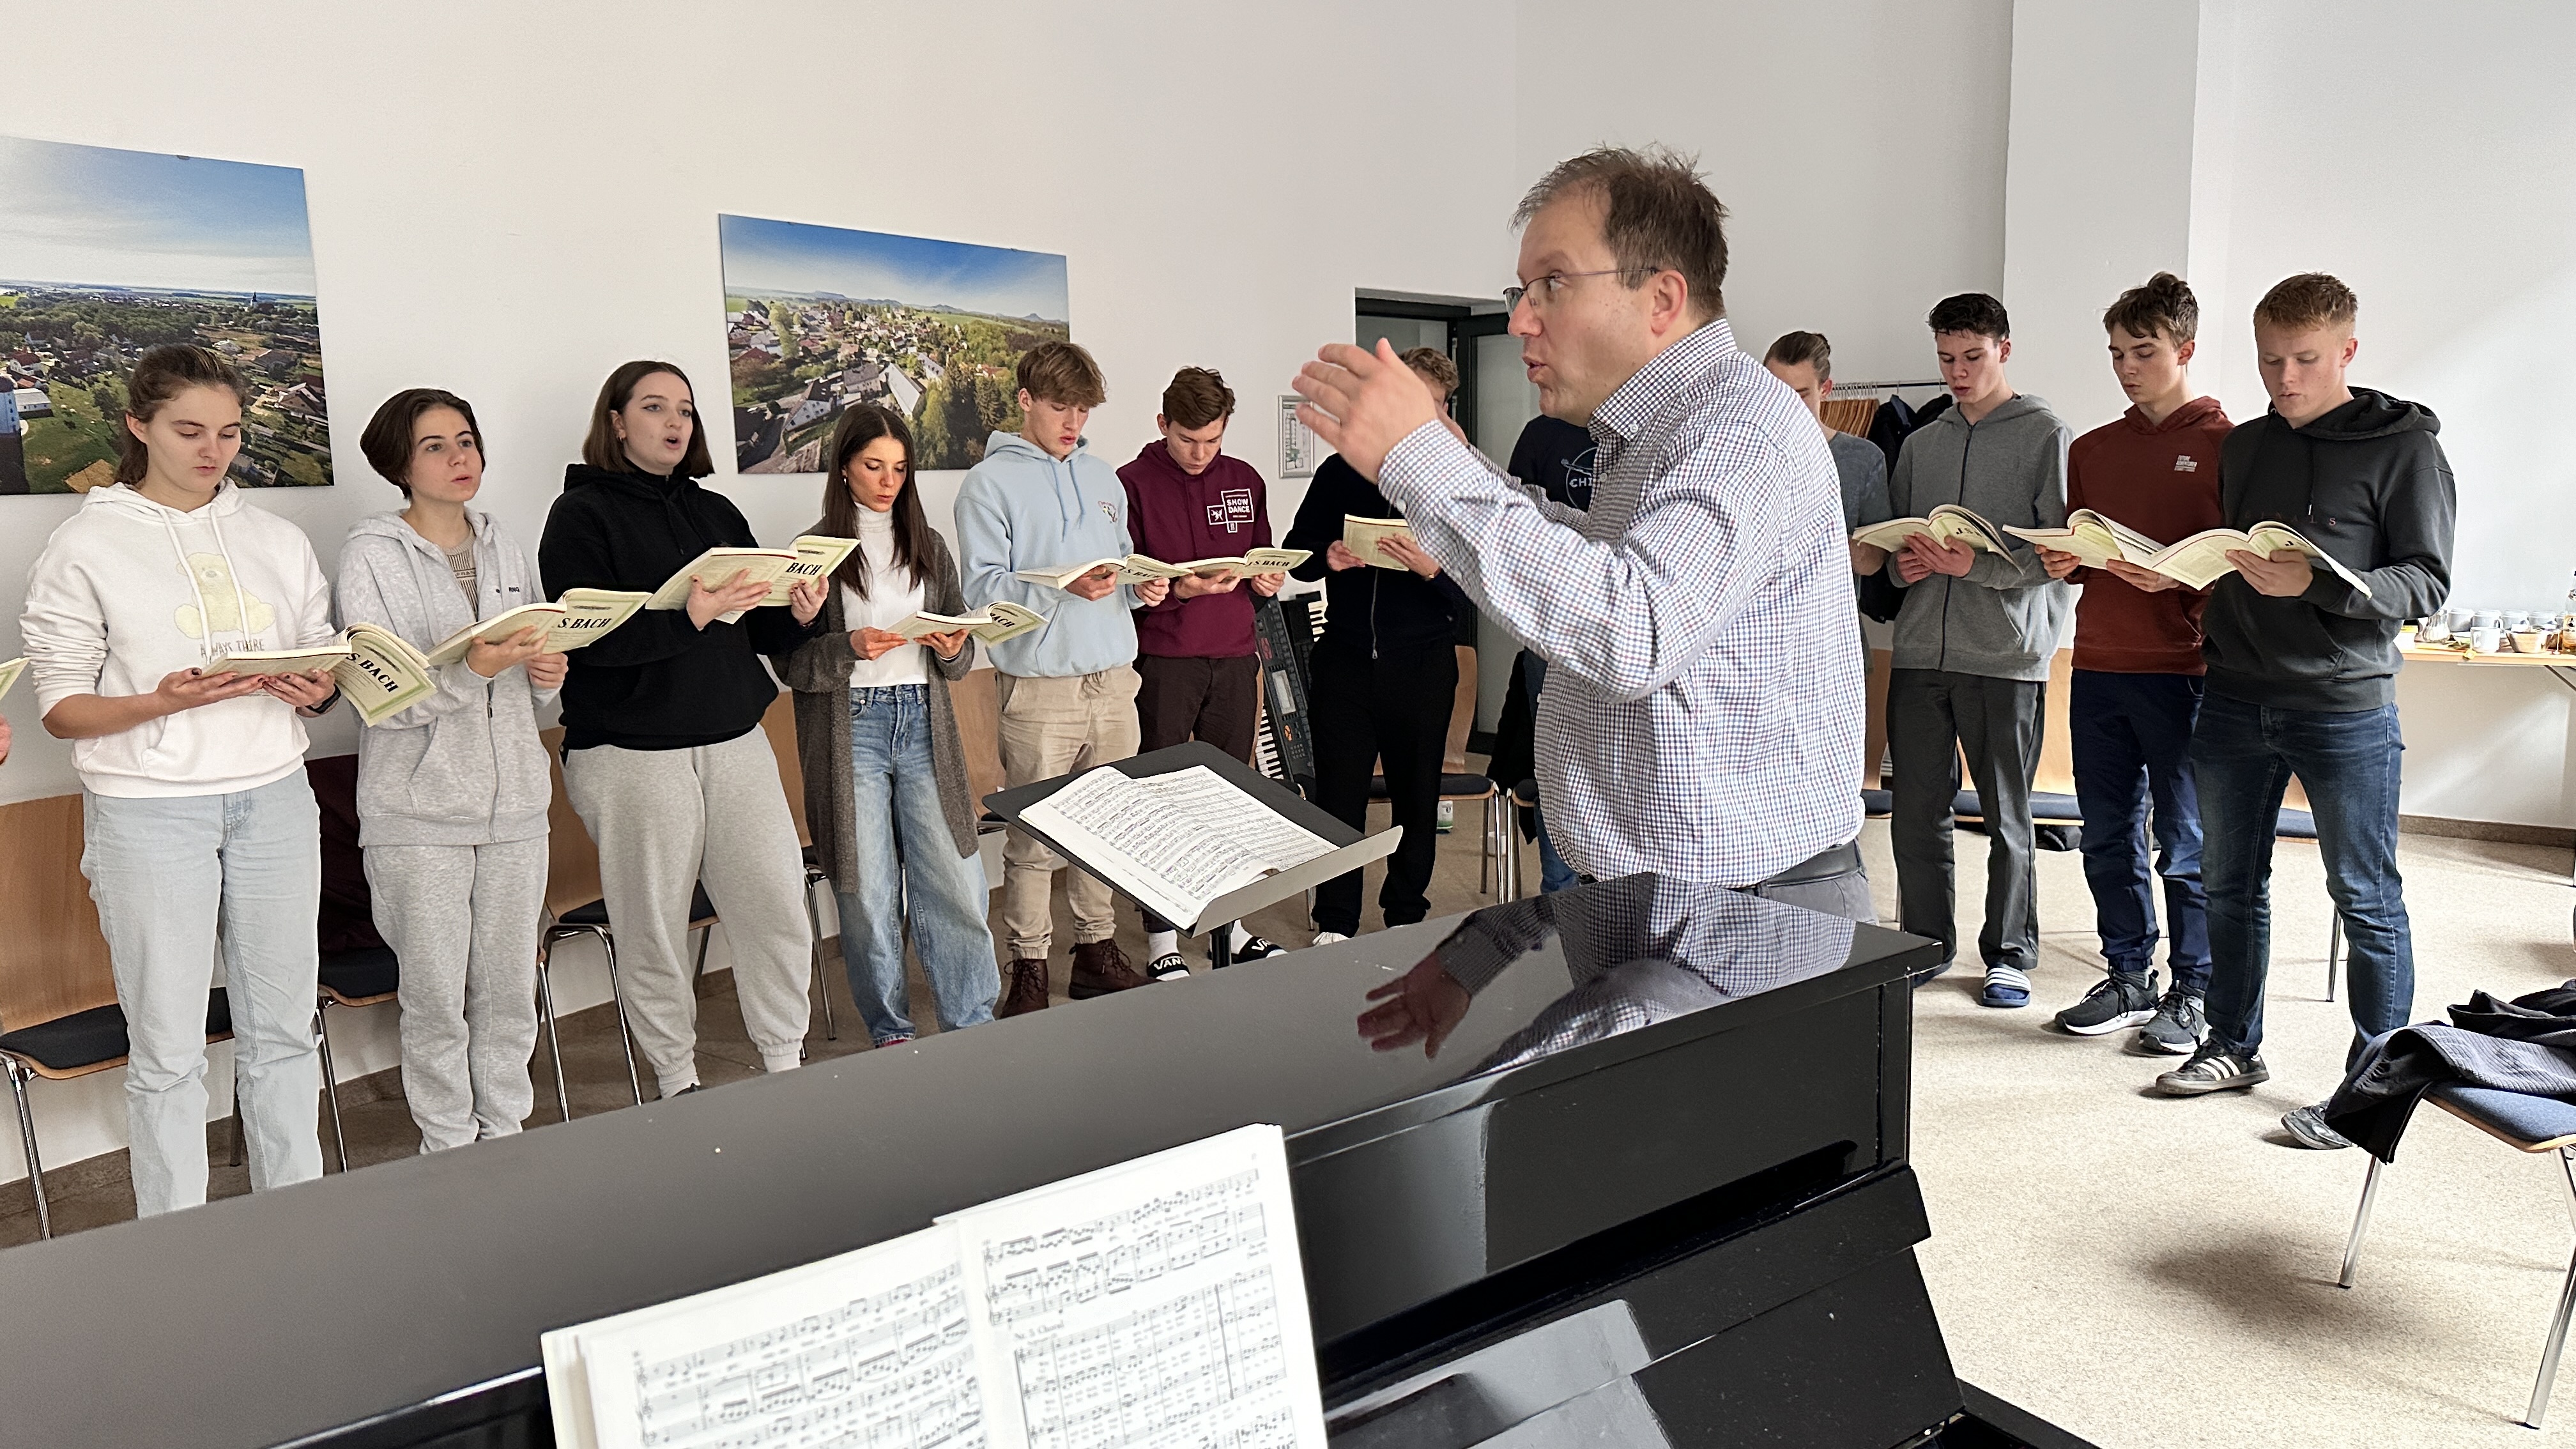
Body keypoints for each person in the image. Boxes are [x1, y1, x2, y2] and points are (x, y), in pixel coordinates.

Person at [1290, 146, 1871, 920]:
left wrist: (1424, 462)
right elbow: (1602, 556)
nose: (1519, 319)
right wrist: (1450, 463)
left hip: (1738, 908)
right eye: (1522, 290)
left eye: (1553, 285)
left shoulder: (1738, 430)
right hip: (1670, 894)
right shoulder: (1657, 431)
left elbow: (1638, 629)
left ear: (1661, 298)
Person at [20, 344, 339, 1215]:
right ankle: (176, 1243)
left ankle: (298, 1222)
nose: (213, 450)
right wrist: (157, 703)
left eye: (229, 433)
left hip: (277, 798)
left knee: (285, 1031)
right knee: (169, 1051)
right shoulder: (85, 545)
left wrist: (317, 689)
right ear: (139, 426)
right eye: (189, 431)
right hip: (149, 814)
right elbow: (62, 710)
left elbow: (323, 661)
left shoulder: (277, 540)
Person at [2150, 273, 2455, 1154]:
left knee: (2366, 897)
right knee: (2227, 884)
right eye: (2270, 361)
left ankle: (2371, 1094)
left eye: (2306, 360)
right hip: (2234, 696)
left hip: (2343, 705)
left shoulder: (2407, 450)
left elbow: (2427, 581)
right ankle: (2232, 1045)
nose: (2284, 378)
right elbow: (2241, 556)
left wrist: (2317, 584)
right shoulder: (2246, 446)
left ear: (2348, 351)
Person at [537, 360, 828, 1100]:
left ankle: (785, 1064)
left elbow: (756, 629)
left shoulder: (717, 513)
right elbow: (584, 643)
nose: (675, 422)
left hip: (735, 739)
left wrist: (799, 613)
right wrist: (689, 616)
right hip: (629, 753)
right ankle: (677, 1080)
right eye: (655, 407)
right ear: (616, 422)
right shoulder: (579, 517)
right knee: (654, 927)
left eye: (686, 410)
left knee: (776, 904)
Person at [337, 388, 566, 1150]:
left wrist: (546, 673)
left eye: (465, 440)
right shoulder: (370, 555)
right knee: (437, 1000)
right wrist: (474, 671)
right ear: (399, 464)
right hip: (418, 816)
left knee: (509, 991)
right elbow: (381, 699)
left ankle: (505, 1133)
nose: (458, 457)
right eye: (434, 446)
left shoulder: (505, 544)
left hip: (517, 808)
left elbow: (530, 667)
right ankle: (447, 1146)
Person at [2028, 275, 2228, 1053]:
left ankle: (2196, 990)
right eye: (2116, 353)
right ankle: (2127, 975)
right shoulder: (2092, 450)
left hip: (2185, 670)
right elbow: (2087, 556)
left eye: (2143, 352)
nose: (2127, 368)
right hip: (2100, 663)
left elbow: (2242, 567)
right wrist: (2064, 561)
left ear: (2185, 349)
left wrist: (2180, 580)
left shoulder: (2226, 445)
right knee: (2107, 833)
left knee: (2185, 842)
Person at [954, 341, 1172, 1013]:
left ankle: (1096, 953)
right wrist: (1060, 587)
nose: (1073, 422)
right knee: (1034, 838)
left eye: (1082, 409)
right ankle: (1028, 968)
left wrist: (1142, 589)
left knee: (1105, 828)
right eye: (1059, 407)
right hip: (1039, 688)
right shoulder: (987, 484)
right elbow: (982, 595)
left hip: (1114, 680)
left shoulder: (1105, 479)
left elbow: (1123, 565)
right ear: (1025, 400)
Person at [772, 405, 997, 1046]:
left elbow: (959, 655)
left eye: (900, 468)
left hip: (924, 722)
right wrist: (847, 647)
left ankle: (972, 1025)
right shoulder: (814, 552)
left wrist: (953, 648)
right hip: (852, 733)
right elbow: (792, 666)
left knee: (955, 881)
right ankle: (890, 1033)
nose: (888, 481)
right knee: (867, 893)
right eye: (874, 466)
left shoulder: (928, 545)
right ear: (844, 467)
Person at [1880, 294, 2073, 1006]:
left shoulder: (2046, 435)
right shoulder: (1921, 444)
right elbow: (1898, 549)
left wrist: (1978, 567)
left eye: (1972, 357)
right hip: (1919, 654)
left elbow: (2060, 556)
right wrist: (1905, 566)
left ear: (2004, 350)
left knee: (2006, 815)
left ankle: (2010, 954)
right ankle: (1925, 944)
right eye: (1946, 359)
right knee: (1916, 812)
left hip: (2005, 657)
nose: (1957, 372)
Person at [1284, 347, 1476, 946]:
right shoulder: (1340, 472)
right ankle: (1336, 921)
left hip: (1422, 664)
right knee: (1337, 800)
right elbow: (1297, 554)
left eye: (1436, 405)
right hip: (1344, 661)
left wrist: (1430, 570)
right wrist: (1328, 556)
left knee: (1416, 798)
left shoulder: (1457, 483)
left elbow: (1477, 592)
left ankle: (1405, 914)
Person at [1117, 366, 1289, 977]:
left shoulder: (1245, 480)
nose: (1200, 453)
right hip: (1164, 660)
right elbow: (1125, 588)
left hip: (1236, 656)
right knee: (1160, 798)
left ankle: (1230, 926)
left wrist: (1267, 582)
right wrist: (1177, 590)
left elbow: (1261, 565)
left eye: (1212, 440)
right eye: (1188, 439)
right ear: (1162, 424)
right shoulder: (1130, 484)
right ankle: (1162, 937)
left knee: (1230, 796)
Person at [1500, 415, 1595, 895]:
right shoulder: (1541, 434)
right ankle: (1559, 892)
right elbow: (1516, 520)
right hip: (1553, 632)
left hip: (1623, 625)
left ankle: (1619, 891)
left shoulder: (1647, 434)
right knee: (1557, 769)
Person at [1762, 330, 1897, 618]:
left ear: (1825, 389)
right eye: (1776, 392)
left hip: (1833, 627)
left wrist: (1817, 537)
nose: (1786, 405)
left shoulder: (1863, 458)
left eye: (1800, 394)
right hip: (1755, 631)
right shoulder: (1741, 456)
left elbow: (1874, 562)